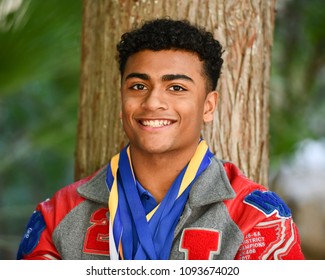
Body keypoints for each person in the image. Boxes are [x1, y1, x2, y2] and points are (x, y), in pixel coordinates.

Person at [17, 18, 305, 260]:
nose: (153, 102)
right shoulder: (58, 214)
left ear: (208, 106)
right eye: (138, 86)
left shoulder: (257, 218)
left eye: (176, 87)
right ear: (122, 101)